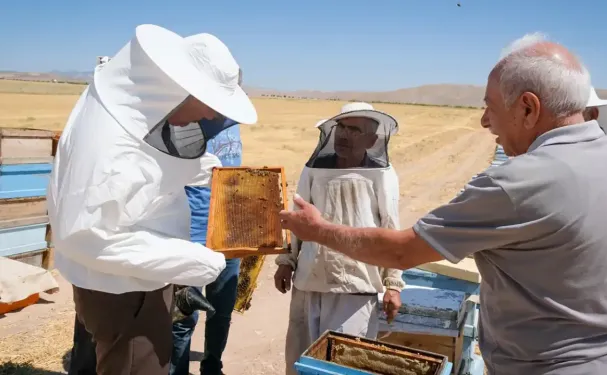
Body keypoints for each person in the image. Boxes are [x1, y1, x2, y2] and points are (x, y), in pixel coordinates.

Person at [279, 33, 607, 375]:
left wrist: (317, 230)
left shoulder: (518, 182)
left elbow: (403, 251)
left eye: (490, 107)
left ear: (528, 108)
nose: (485, 121)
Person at [47, 25, 257, 375]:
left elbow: (147, 163)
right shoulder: (106, 150)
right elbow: (86, 237)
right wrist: (194, 259)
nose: (211, 116)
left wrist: (202, 168)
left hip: (134, 284)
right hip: (123, 292)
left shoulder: (135, 109)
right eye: (210, 104)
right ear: (179, 89)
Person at [274, 102, 405, 375]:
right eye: (342, 128)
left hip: (356, 285)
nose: (345, 135)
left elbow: (391, 228)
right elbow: (298, 216)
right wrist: (286, 261)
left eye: (355, 130)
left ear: (372, 139)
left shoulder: (383, 174)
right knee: (301, 362)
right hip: (310, 281)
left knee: (343, 366)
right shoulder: (314, 169)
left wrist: (393, 284)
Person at [171, 119, 244, 374]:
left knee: (221, 310)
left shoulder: (233, 122)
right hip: (190, 234)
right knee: (183, 316)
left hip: (229, 231)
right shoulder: (185, 118)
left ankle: (212, 367)